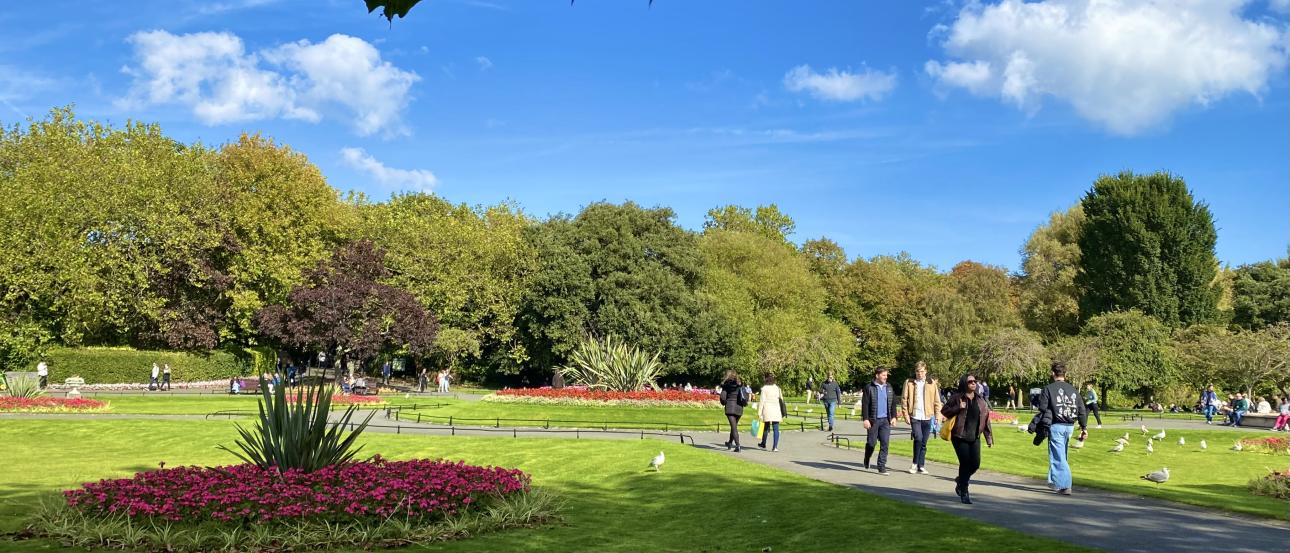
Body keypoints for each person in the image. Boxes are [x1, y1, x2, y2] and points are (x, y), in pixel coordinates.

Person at [1036, 362, 1088, 496]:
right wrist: (1084, 427)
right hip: (1070, 426)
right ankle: (1053, 481)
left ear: (1053, 373)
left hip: (1056, 425)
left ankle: (1065, 485)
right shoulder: (1073, 390)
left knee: (1057, 456)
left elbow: (1042, 408)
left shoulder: (1048, 389)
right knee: (1061, 454)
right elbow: (1082, 410)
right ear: (1066, 374)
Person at [941, 373, 993, 504]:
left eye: (975, 381)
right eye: (970, 382)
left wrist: (989, 438)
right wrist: (958, 407)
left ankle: (961, 480)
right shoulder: (957, 397)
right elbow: (944, 411)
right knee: (965, 463)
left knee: (975, 464)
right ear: (964, 383)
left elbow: (986, 420)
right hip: (959, 435)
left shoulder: (980, 400)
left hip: (974, 436)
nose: (973, 383)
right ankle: (964, 491)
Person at [901, 361, 942, 475]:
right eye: (918, 372)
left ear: (926, 371)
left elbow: (937, 401)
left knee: (923, 442)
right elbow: (904, 400)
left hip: (927, 416)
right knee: (918, 438)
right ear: (915, 372)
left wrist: (938, 416)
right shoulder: (909, 383)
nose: (920, 374)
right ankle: (914, 463)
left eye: (922, 371)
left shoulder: (931, 383)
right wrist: (906, 415)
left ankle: (921, 465)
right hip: (915, 416)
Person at [861, 368, 897, 475]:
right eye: (883, 375)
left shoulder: (889, 387)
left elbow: (893, 403)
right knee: (872, 443)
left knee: (885, 443)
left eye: (886, 375)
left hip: (885, 420)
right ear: (877, 375)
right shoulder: (869, 388)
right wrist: (866, 419)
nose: (886, 377)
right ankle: (867, 457)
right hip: (873, 420)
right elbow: (865, 404)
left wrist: (894, 417)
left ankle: (881, 466)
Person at [718, 370, 747, 452]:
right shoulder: (740, 384)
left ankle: (738, 445)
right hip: (739, 407)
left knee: (734, 427)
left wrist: (724, 403)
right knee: (734, 426)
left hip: (730, 407)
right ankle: (730, 442)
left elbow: (723, 397)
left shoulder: (726, 385)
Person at [757, 374, 785, 451]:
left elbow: (762, 401)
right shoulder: (777, 388)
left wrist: (759, 413)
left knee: (766, 427)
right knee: (776, 428)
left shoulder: (764, 389)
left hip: (767, 409)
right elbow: (781, 399)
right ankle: (775, 446)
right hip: (776, 409)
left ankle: (763, 443)